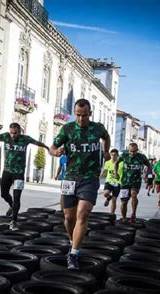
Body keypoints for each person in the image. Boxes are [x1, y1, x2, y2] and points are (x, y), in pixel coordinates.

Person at [50, 98, 111, 270]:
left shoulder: (98, 128)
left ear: (90, 114)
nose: (81, 119)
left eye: (84, 115)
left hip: (90, 178)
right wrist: (56, 152)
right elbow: (52, 147)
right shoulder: (67, 129)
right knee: (69, 218)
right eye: (78, 115)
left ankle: (74, 254)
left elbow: (106, 137)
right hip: (70, 177)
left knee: (83, 214)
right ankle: (73, 241)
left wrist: (106, 151)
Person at [0, 122, 49, 231]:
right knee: (3, 194)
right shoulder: (6, 136)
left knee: (17, 196)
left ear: (19, 132)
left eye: (15, 133)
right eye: (11, 133)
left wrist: (47, 148)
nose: (13, 135)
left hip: (19, 173)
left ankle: (14, 221)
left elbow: (37, 142)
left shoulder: (25, 139)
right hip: (7, 171)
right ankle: (11, 205)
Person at [116, 143, 150, 223]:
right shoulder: (124, 156)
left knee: (133, 195)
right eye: (131, 151)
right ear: (128, 150)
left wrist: (147, 176)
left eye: (134, 151)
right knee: (124, 202)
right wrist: (116, 172)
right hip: (125, 181)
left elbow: (149, 166)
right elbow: (116, 163)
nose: (132, 153)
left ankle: (133, 214)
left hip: (136, 181)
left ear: (137, 150)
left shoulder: (141, 157)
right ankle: (124, 218)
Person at [100, 149, 123, 215]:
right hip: (109, 181)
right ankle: (108, 197)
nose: (113, 156)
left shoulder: (121, 163)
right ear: (110, 155)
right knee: (105, 193)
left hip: (118, 183)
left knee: (114, 200)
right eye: (112, 155)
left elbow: (124, 173)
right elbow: (104, 172)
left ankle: (112, 214)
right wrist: (99, 177)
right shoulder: (107, 162)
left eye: (115, 155)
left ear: (117, 155)